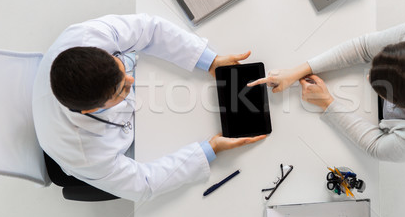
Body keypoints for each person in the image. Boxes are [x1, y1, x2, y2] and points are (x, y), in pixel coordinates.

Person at [33, 13, 266, 201]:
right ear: (91, 111)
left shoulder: (86, 36)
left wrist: (209, 61)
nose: (132, 81)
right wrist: (210, 149)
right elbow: (145, 184)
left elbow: (149, 29)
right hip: (75, 152)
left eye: (120, 65)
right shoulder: (86, 154)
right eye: (121, 89)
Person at [248, 19, 405, 162]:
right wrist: (296, 72)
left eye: (381, 90)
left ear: (403, 106)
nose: (367, 76)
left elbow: (375, 146)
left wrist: (328, 103)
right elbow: (363, 48)